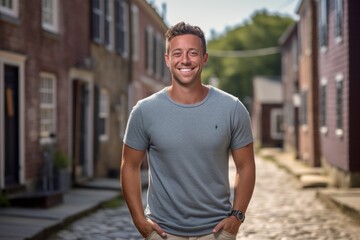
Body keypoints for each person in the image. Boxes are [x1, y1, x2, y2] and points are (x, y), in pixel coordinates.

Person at [120, 22, 255, 240]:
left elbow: (246, 165)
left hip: (217, 232)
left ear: (204, 58)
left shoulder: (232, 108)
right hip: (163, 232)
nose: (185, 60)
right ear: (167, 59)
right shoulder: (144, 111)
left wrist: (236, 217)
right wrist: (139, 220)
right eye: (177, 53)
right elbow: (130, 166)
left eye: (193, 53)